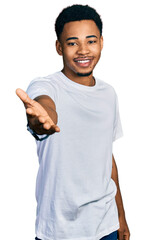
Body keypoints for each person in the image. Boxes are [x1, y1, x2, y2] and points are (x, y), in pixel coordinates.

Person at [16, 4, 130, 240]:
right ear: (59, 47)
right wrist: (41, 119)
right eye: (72, 43)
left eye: (91, 41)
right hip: (59, 230)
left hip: (106, 225)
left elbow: (106, 157)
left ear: (101, 42)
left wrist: (121, 217)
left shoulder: (109, 93)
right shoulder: (46, 85)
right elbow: (44, 106)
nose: (83, 51)